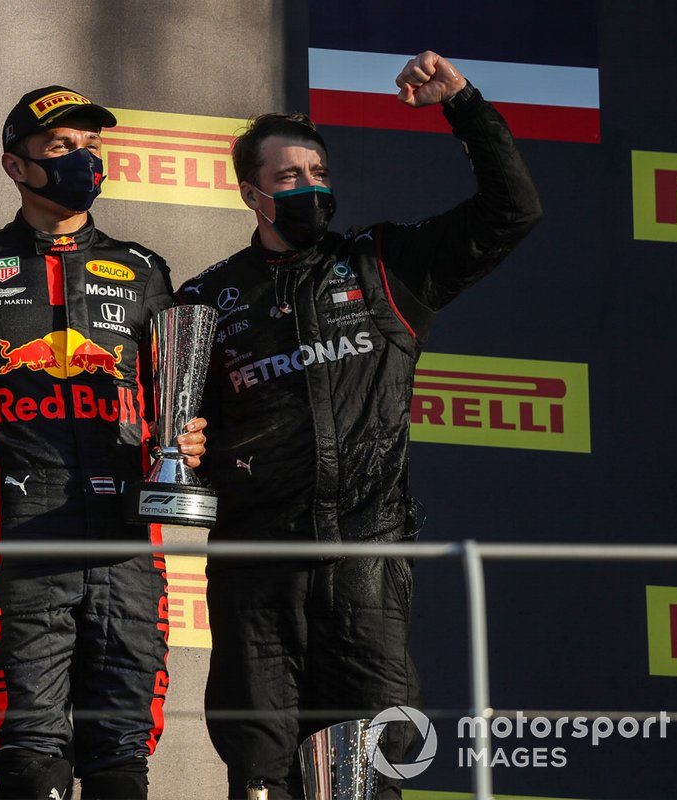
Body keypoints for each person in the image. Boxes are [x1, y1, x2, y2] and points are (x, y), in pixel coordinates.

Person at [175, 52, 542, 799]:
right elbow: (182, 431)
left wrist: (463, 104)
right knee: (260, 766)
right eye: (287, 178)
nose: (310, 188)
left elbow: (514, 210)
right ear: (251, 194)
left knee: (372, 765)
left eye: (318, 173)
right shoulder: (205, 298)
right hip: (255, 570)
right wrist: (187, 452)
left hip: (365, 558)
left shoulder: (385, 265)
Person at [0, 85, 207, 800]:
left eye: (91, 146)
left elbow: (180, 390)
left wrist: (187, 438)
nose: (84, 159)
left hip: (128, 537)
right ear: (15, 166)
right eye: (61, 148)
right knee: (27, 747)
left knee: (120, 753)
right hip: (20, 530)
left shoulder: (143, 268)